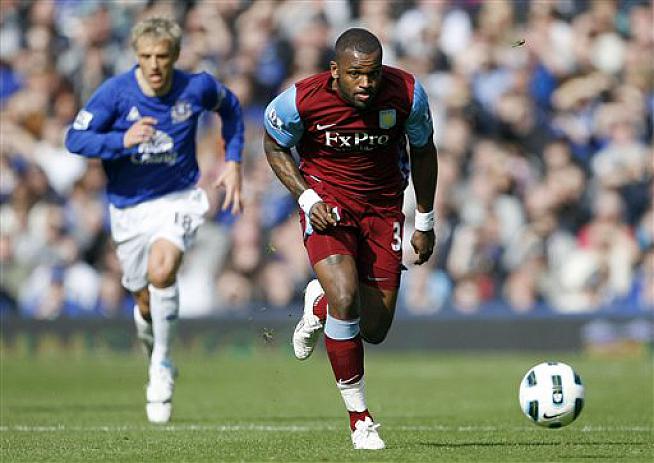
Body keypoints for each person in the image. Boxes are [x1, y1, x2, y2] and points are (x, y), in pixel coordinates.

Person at [263, 28, 437, 450]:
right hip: (328, 204)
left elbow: (424, 150)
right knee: (345, 296)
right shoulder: (299, 100)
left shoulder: (407, 93)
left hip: (383, 208)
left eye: (373, 74)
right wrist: (307, 198)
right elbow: (273, 144)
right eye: (356, 74)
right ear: (334, 70)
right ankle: (360, 419)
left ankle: (318, 304)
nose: (366, 83)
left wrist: (425, 221)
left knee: (374, 328)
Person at [65, 17, 244, 424]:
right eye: (145, 56)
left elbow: (231, 108)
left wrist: (233, 162)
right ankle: (156, 355)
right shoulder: (115, 93)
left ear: (175, 55)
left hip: (178, 198)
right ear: (136, 55)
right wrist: (121, 140)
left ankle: (161, 364)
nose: (154, 65)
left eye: (162, 56)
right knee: (144, 300)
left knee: (163, 270)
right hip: (129, 209)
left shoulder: (195, 87)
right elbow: (75, 139)